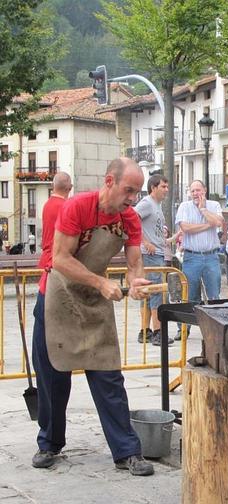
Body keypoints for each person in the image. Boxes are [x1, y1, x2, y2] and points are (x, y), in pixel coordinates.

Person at [31, 157, 154, 476]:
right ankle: (49, 444)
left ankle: (127, 451)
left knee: (108, 375)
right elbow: (59, 258)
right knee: (53, 377)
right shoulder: (77, 207)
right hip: (57, 297)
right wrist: (101, 282)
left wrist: (136, 280)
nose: (132, 198)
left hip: (94, 299)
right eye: (129, 190)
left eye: (137, 192)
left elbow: (134, 260)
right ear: (109, 181)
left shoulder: (129, 218)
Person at [175, 180, 224, 338]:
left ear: (205, 190)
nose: (196, 193)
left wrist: (203, 209)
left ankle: (216, 328)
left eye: (198, 190)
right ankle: (184, 329)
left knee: (214, 294)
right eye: (193, 190)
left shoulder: (214, 204)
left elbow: (218, 222)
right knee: (189, 295)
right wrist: (207, 225)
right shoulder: (184, 206)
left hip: (211, 256)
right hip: (192, 256)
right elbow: (185, 228)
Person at [134, 174, 173, 347]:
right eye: (163, 186)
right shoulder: (147, 203)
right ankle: (158, 332)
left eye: (166, 186)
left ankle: (145, 331)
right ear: (153, 187)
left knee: (148, 292)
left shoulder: (156, 205)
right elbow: (132, 219)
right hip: (150, 254)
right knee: (157, 291)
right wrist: (144, 241)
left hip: (156, 252)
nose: (166, 190)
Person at [38, 172, 72, 271]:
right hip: (59, 262)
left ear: (53, 186)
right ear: (70, 188)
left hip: (46, 259)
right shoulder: (67, 207)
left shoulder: (47, 205)